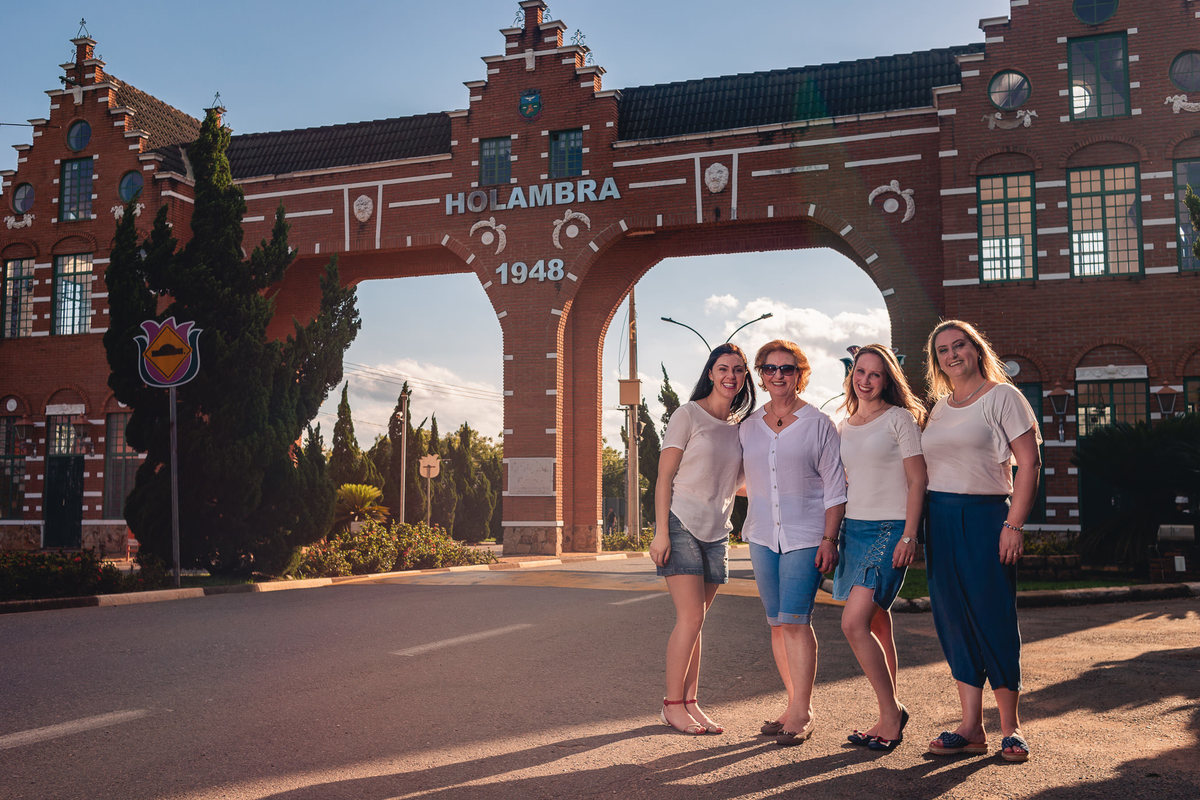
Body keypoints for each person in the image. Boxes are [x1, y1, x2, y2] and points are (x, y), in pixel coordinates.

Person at [920, 320, 1041, 763]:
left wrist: (1013, 526)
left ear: (975, 349)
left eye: (960, 345)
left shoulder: (1004, 397)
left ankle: (1011, 728)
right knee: (953, 621)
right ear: (937, 361)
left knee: (994, 618)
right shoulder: (938, 407)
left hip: (988, 516)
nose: (953, 354)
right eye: (944, 350)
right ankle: (971, 727)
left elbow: (1029, 464)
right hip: (942, 519)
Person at [740, 340, 846, 746]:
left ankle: (803, 711)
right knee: (776, 624)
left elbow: (836, 489)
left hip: (806, 536)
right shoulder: (747, 426)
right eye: (770, 369)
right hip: (763, 536)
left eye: (787, 368)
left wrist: (829, 538)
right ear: (762, 375)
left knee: (796, 622)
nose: (778, 375)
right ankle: (792, 704)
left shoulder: (819, 424)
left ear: (800, 374)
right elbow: (735, 477)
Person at [649, 343, 755, 735]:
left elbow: (739, 485)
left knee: (698, 623)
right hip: (681, 524)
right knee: (689, 617)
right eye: (724, 368)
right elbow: (664, 477)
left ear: (745, 378)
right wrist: (661, 532)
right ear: (710, 373)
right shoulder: (687, 414)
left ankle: (691, 702)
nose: (731, 375)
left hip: (717, 531)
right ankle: (672, 704)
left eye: (739, 370)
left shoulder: (739, 428)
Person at [833, 344, 927, 752]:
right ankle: (888, 712)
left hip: (889, 529)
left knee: (853, 623)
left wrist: (910, 534)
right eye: (859, 372)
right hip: (853, 529)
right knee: (876, 624)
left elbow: (918, 480)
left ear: (887, 379)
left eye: (874, 373)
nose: (865, 380)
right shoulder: (846, 423)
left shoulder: (900, 418)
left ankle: (891, 715)